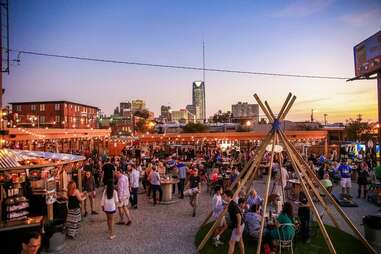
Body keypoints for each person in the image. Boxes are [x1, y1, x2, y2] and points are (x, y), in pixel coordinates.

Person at [224, 189, 245, 254]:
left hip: (238, 225)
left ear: (229, 196)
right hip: (240, 224)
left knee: (231, 243)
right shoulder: (231, 203)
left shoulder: (232, 205)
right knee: (240, 241)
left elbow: (239, 216)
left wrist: (238, 228)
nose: (223, 197)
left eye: (224, 196)